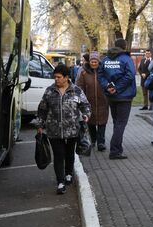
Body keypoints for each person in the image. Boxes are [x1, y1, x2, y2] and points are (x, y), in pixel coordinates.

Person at [37, 64, 91, 194]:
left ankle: (68, 174)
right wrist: (40, 125)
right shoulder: (50, 91)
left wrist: (86, 115)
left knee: (69, 153)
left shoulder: (76, 90)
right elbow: (42, 109)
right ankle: (60, 182)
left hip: (72, 130)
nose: (56, 79)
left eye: (59, 77)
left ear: (66, 77)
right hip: (54, 131)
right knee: (59, 155)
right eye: (55, 77)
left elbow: (85, 105)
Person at [98, 38, 137, 160]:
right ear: (124, 47)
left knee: (116, 123)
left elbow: (100, 75)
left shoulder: (105, 60)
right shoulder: (126, 59)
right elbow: (130, 75)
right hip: (124, 96)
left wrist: (108, 86)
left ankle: (117, 149)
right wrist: (117, 88)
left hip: (111, 96)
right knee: (120, 124)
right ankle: (115, 151)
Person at [76, 51, 109, 152]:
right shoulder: (84, 72)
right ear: (89, 62)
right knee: (90, 123)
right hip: (88, 102)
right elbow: (79, 86)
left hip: (103, 101)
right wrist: (81, 99)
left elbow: (110, 82)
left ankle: (101, 142)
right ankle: (93, 140)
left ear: (99, 62)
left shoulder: (104, 71)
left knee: (102, 123)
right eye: (92, 61)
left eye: (96, 61)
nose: (94, 63)